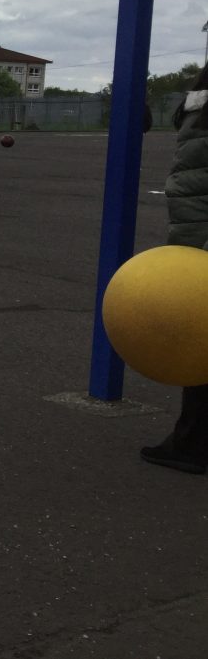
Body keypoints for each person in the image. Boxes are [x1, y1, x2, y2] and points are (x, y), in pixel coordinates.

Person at [140, 65, 208, 474]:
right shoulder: (198, 108)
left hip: (197, 243)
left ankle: (191, 445)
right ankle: (190, 441)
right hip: (195, 239)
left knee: (201, 346)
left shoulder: (197, 108)